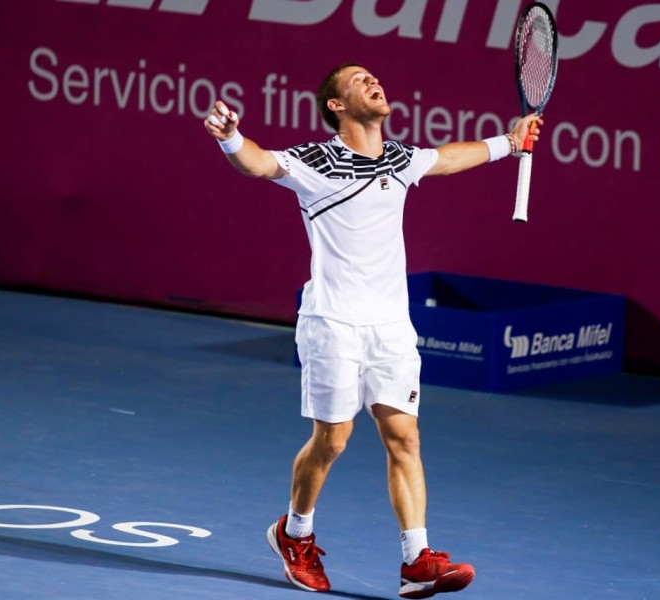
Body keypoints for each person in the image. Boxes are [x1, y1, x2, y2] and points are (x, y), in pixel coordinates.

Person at [204, 63, 542, 599]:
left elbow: (449, 160)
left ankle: (416, 560)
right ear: (336, 105)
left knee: (403, 436)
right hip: (332, 322)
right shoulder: (315, 161)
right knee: (333, 439)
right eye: (358, 80)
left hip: (390, 326)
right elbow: (262, 164)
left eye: (373, 77)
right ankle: (294, 534)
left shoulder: (401, 159)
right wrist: (231, 139)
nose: (373, 82)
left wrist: (509, 139)